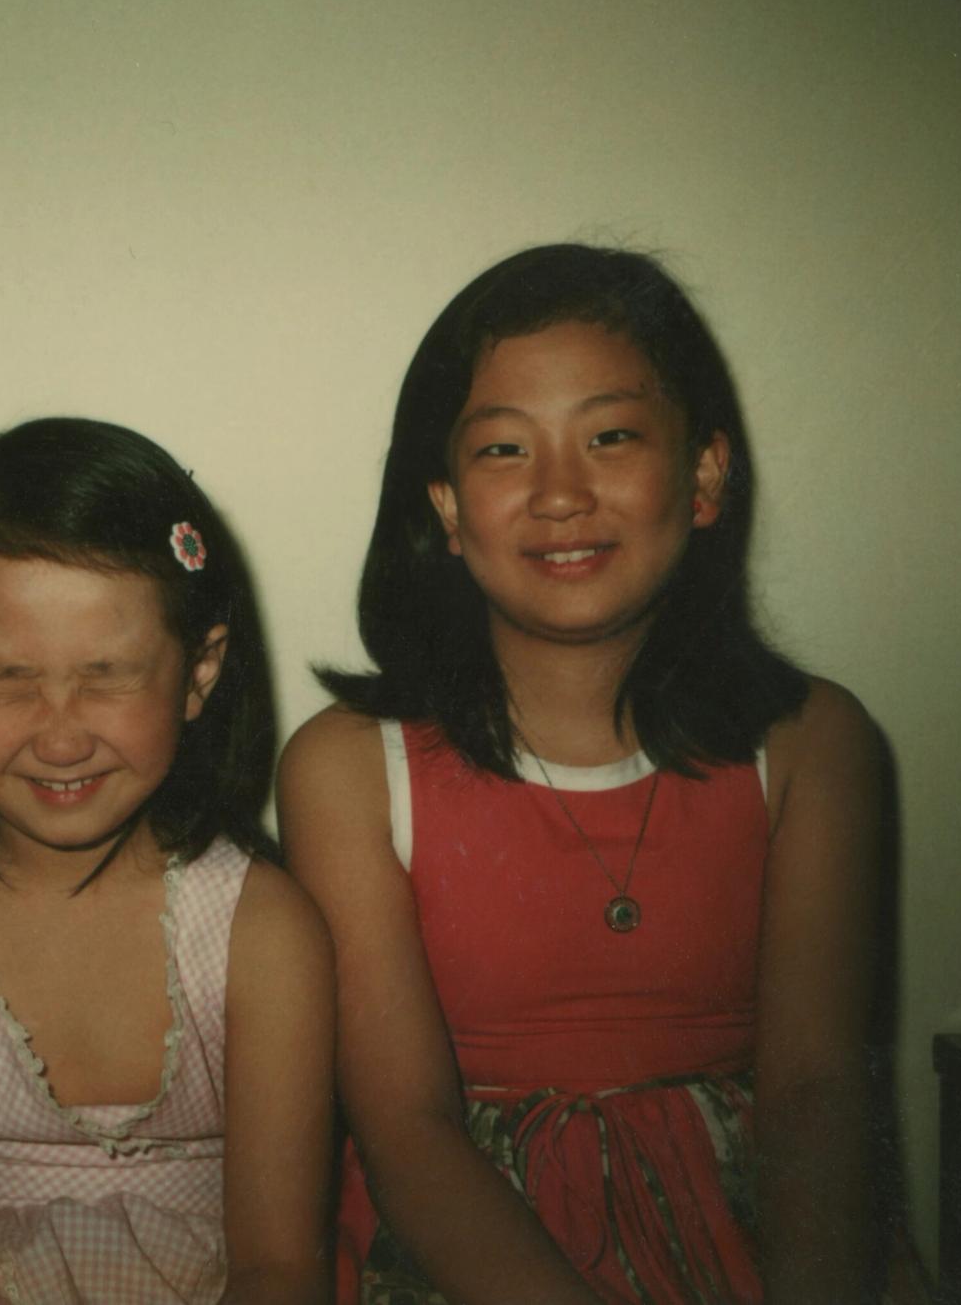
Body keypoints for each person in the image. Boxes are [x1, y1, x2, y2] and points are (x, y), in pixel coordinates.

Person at [278, 246, 885, 1304]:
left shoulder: (814, 744)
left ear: (703, 474)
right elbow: (406, 1130)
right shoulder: (346, 767)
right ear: (450, 509)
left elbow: (815, 1094)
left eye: (610, 436)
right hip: (459, 1255)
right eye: (506, 449)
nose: (561, 492)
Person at [0, 417, 334, 1305]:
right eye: (11, 678)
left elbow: (279, 1265)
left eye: (109, 676)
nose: (60, 736)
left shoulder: (262, 928)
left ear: (201, 671)